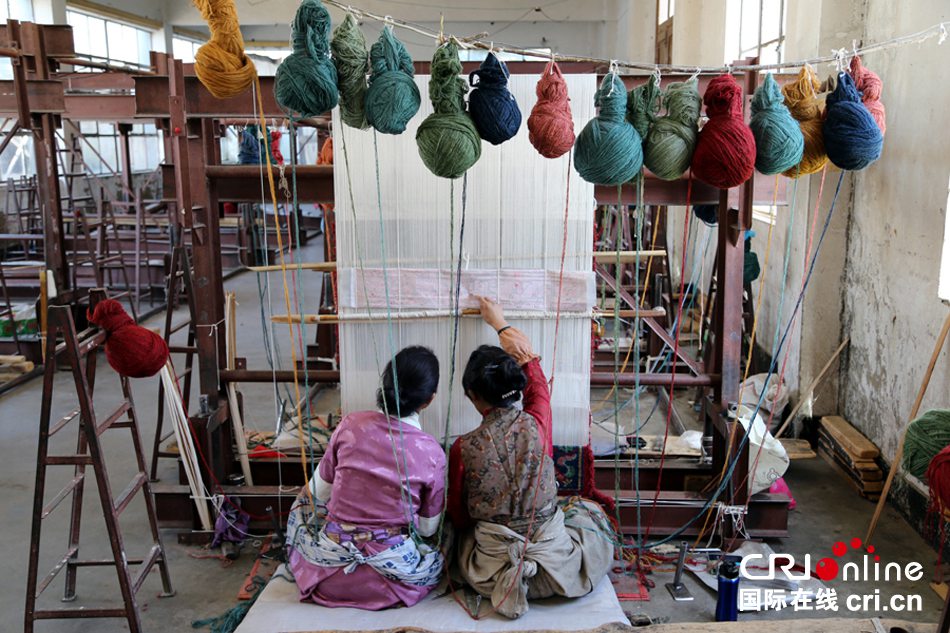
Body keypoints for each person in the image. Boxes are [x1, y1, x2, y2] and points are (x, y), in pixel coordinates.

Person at [447, 297, 614, 619]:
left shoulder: (463, 448)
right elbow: (535, 375)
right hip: (560, 571)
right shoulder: (538, 423)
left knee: (455, 531)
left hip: (491, 576)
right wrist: (501, 324)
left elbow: (459, 513)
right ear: (518, 389)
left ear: (471, 395)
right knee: (587, 511)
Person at [286, 346, 446, 609]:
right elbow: (427, 529)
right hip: (392, 583)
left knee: (303, 504)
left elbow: (317, 493)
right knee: (444, 539)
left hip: (329, 577)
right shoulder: (431, 453)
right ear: (429, 399)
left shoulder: (350, 425)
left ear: (383, 386)